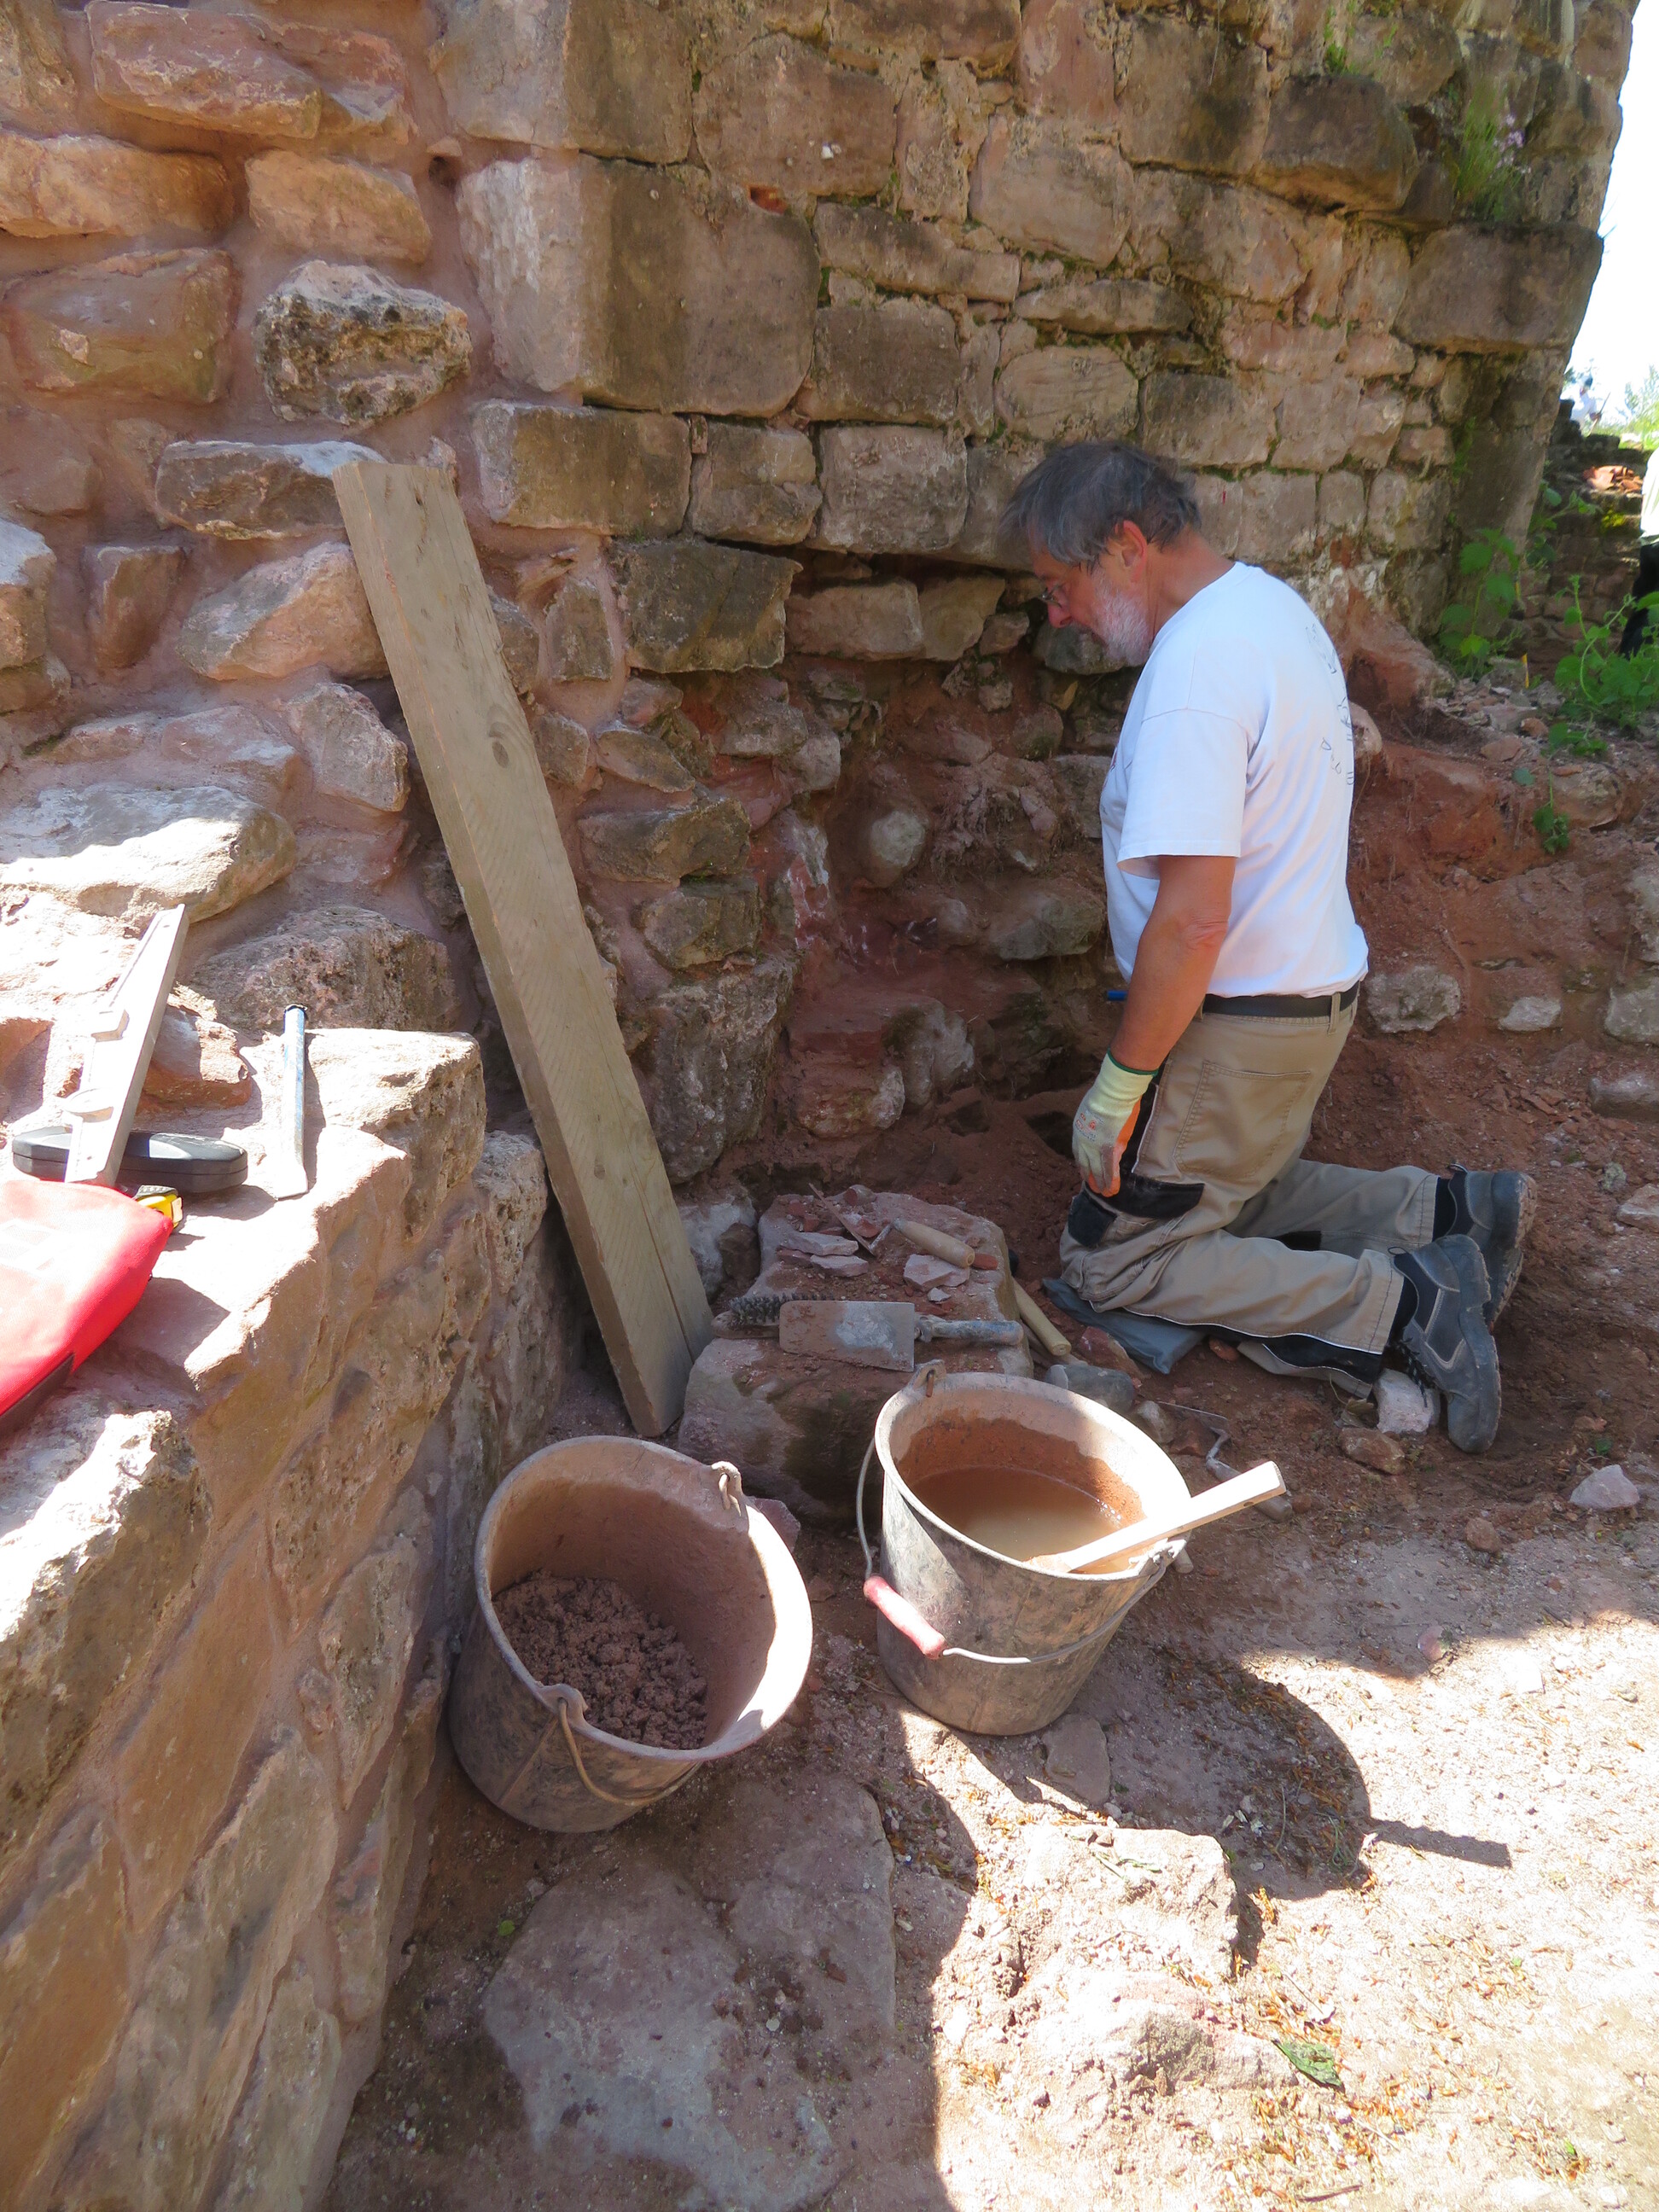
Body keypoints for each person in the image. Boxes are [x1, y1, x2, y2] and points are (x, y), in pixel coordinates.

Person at [999, 441, 1534, 1453]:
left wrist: (1121, 1084)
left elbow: (1194, 919)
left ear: (1126, 548)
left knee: (1115, 1260)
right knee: (1230, 1195)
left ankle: (1406, 1304)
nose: (1057, 614)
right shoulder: (1271, 610)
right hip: (1304, 1004)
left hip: (1239, 1025)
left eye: (1059, 585)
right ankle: (1452, 1214)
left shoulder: (1196, 670)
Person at [1619, 445, 1659, 657]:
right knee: (1654, 618)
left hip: (1649, 540)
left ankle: (1622, 664)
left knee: (1642, 609)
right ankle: (1637, 665)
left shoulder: (1656, 455)